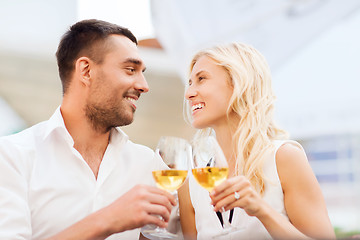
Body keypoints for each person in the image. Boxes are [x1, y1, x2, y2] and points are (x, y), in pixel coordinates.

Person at [0, 19, 176, 239]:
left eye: (142, 72)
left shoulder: (148, 163)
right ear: (86, 70)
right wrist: (108, 219)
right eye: (130, 69)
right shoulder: (12, 155)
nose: (144, 85)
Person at [178, 42, 336, 239]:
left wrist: (262, 210)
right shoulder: (190, 181)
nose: (188, 93)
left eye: (201, 79)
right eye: (190, 82)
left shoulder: (284, 158)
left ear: (238, 83)